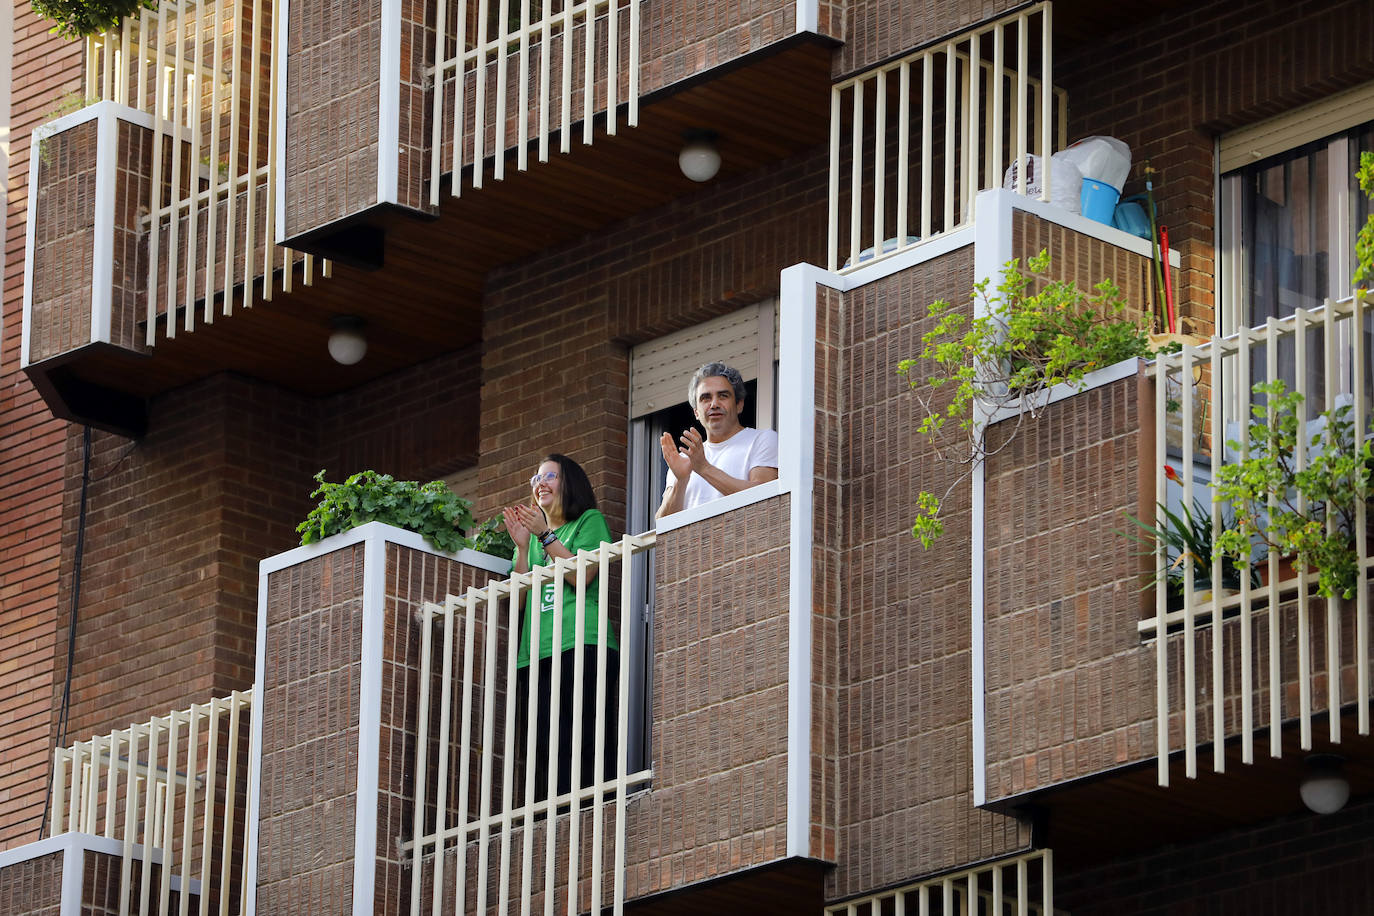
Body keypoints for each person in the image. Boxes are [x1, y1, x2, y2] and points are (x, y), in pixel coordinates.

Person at [503, 453, 618, 801]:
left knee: (582, 740)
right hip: (536, 652)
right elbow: (518, 603)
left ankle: (590, 811)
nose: (541, 484)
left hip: (581, 642)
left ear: (569, 482)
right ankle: (558, 820)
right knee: (545, 747)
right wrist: (523, 547)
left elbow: (583, 575)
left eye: (549, 476)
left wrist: (545, 535)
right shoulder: (535, 540)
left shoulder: (588, 521)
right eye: (536, 479)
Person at [656, 362, 779, 518]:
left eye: (723, 396)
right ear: (696, 412)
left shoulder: (762, 440)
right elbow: (662, 525)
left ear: (739, 405)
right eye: (705, 398)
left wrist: (704, 468)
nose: (714, 404)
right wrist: (681, 480)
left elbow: (766, 499)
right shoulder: (684, 460)